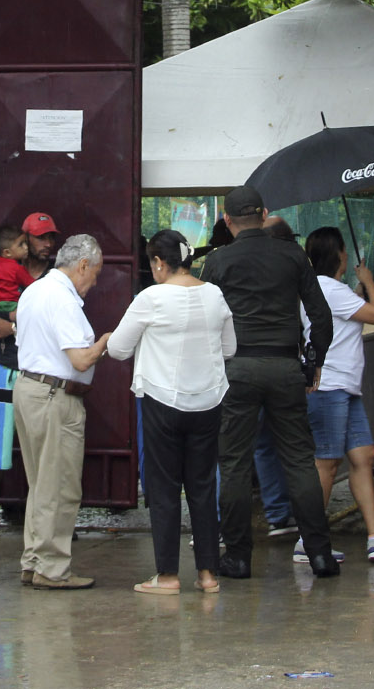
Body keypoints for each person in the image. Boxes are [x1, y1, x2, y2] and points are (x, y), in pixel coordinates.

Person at [201, 185, 339, 578]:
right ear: (264, 214)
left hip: (236, 370)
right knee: (299, 460)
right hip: (284, 366)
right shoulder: (292, 255)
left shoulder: (217, 262)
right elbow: (321, 317)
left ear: (227, 220)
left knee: (234, 463)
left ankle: (238, 556)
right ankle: (320, 554)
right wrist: (313, 361)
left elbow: (204, 319)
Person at [106, 230, 235, 594]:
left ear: (160, 263)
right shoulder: (214, 294)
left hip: (162, 402)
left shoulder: (151, 297)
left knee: (164, 488)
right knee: (202, 486)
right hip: (208, 402)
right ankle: (208, 574)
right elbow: (229, 348)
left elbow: (118, 349)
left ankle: (167, 576)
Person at [298, 227, 374, 563]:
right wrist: (369, 281)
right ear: (338, 256)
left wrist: (359, 288)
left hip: (344, 387)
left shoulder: (322, 289)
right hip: (330, 387)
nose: (348, 256)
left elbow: (349, 312)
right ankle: (309, 541)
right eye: (344, 251)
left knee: (363, 456)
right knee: (327, 464)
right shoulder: (329, 289)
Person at [13, 234, 111, 589]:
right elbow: (80, 359)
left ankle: (33, 561)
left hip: (29, 389)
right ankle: (52, 569)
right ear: (82, 265)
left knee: (41, 484)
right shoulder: (63, 299)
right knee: (60, 487)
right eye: (95, 274)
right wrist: (106, 342)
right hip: (55, 397)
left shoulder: (35, 290)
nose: (94, 283)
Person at [0, 212, 60, 540]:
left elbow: (59, 321)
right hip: (1, 366)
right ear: (24, 241)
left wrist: (13, 326)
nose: (48, 244)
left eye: (51, 237)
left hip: (40, 369)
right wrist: (7, 318)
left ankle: (43, 520)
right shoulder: (1, 270)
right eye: (41, 237)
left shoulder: (56, 276)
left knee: (44, 445)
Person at [252, 215, 299, 538]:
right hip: (284, 367)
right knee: (294, 445)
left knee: (255, 446)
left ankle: (277, 513)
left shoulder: (244, 270)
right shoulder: (294, 272)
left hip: (246, 368)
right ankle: (289, 515)